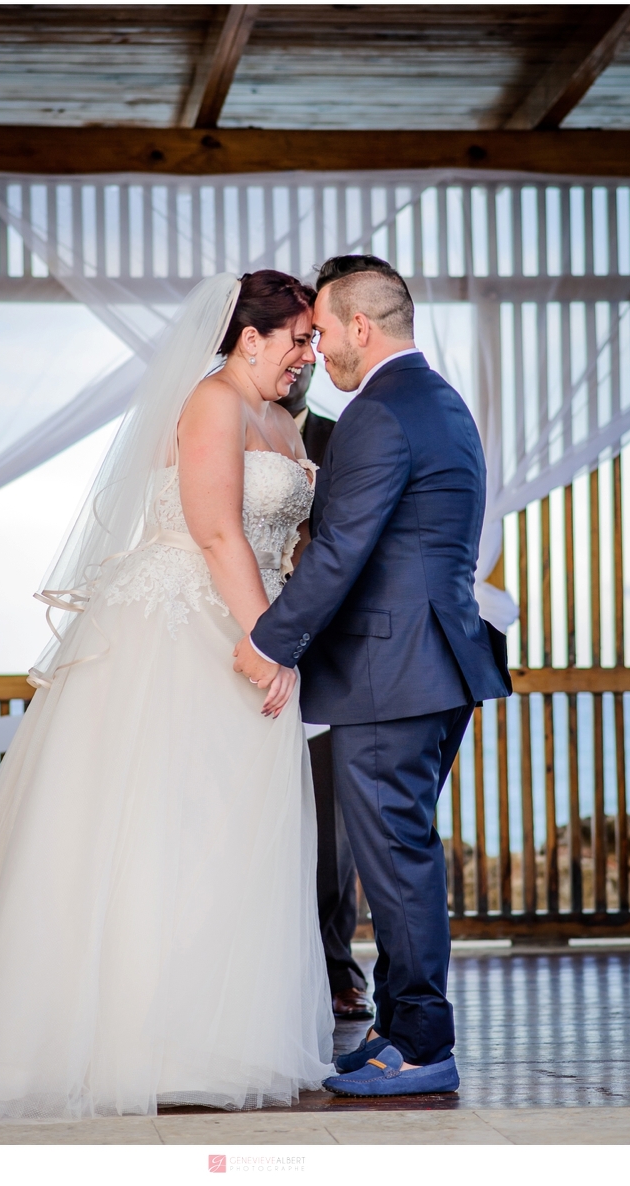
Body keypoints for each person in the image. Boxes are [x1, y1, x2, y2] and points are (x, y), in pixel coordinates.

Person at [0, 271, 335, 1123]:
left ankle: (208, 1033)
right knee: (155, 827)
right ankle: (124, 1039)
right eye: (300, 337)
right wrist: (266, 643)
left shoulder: (281, 417)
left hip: (250, 623)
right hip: (180, 630)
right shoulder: (213, 402)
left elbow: (286, 538)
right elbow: (215, 531)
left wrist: (288, 629)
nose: (310, 353)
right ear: (250, 337)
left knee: (224, 832)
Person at [235, 255, 511, 1098]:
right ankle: (395, 1030)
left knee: (395, 858)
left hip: (393, 669)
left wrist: (270, 641)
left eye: (323, 330)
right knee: (401, 851)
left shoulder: (379, 413)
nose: (318, 348)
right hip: (435, 659)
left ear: (361, 325)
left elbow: (342, 550)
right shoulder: (436, 400)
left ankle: (422, 1044)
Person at [277, 369, 371, 1022]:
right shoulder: (218, 426)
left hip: (328, 650)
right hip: (236, 638)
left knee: (331, 829)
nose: (302, 361)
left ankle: (336, 967)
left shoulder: (342, 438)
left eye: (310, 344)